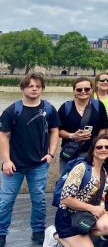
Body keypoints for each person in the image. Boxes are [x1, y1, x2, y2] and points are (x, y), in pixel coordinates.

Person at [0, 72, 60, 247]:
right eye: (30, 86)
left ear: (42, 89)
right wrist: (6, 160)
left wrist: (51, 153)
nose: (34, 89)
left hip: (39, 164)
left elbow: (55, 130)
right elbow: (3, 135)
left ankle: (38, 232)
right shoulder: (13, 110)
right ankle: (2, 233)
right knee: (5, 201)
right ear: (23, 88)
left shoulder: (48, 109)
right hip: (14, 165)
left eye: (38, 86)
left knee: (39, 200)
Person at [53, 135, 108, 247]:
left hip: (87, 216)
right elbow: (65, 200)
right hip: (68, 218)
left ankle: (82, 236)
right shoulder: (81, 168)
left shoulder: (103, 172)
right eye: (99, 147)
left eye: (107, 147)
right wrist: (93, 209)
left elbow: (100, 197)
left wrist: (100, 210)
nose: (103, 149)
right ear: (92, 150)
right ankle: (56, 236)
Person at [58, 77, 108, 173]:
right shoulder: (66, 107)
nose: (83, 92)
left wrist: (96, 143)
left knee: (90, 183)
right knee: (66, 182)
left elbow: (103, 128)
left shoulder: (99, 106)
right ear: (74, 91)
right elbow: (58, 130)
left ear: (91, 90)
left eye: (87, 89)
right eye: (79, 89)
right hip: (70, 152)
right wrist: (72, 135)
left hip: (91, 152)